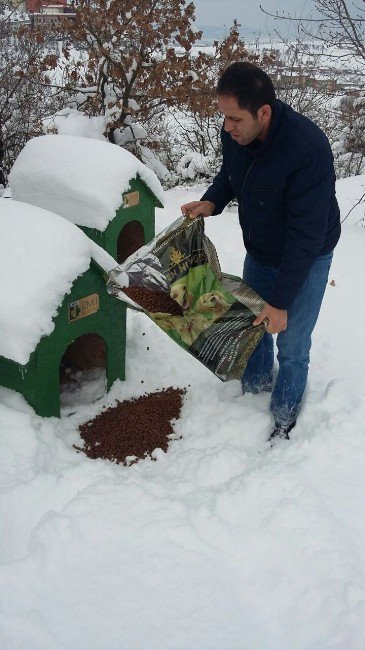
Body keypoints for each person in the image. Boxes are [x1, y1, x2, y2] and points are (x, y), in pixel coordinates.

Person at [181, 62, 341, 442]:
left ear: (263, 112)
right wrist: (212, 202)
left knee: (292, 341)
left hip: (307, 255)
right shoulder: (235, 134)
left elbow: (307, 233)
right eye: (224, 117)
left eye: (234, 118)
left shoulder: (308, 149)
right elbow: (231, 174)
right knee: (253, 327)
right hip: (261, 249)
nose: (226, 127)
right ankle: (251, 397)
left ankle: (283, 418)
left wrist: (282, 300)